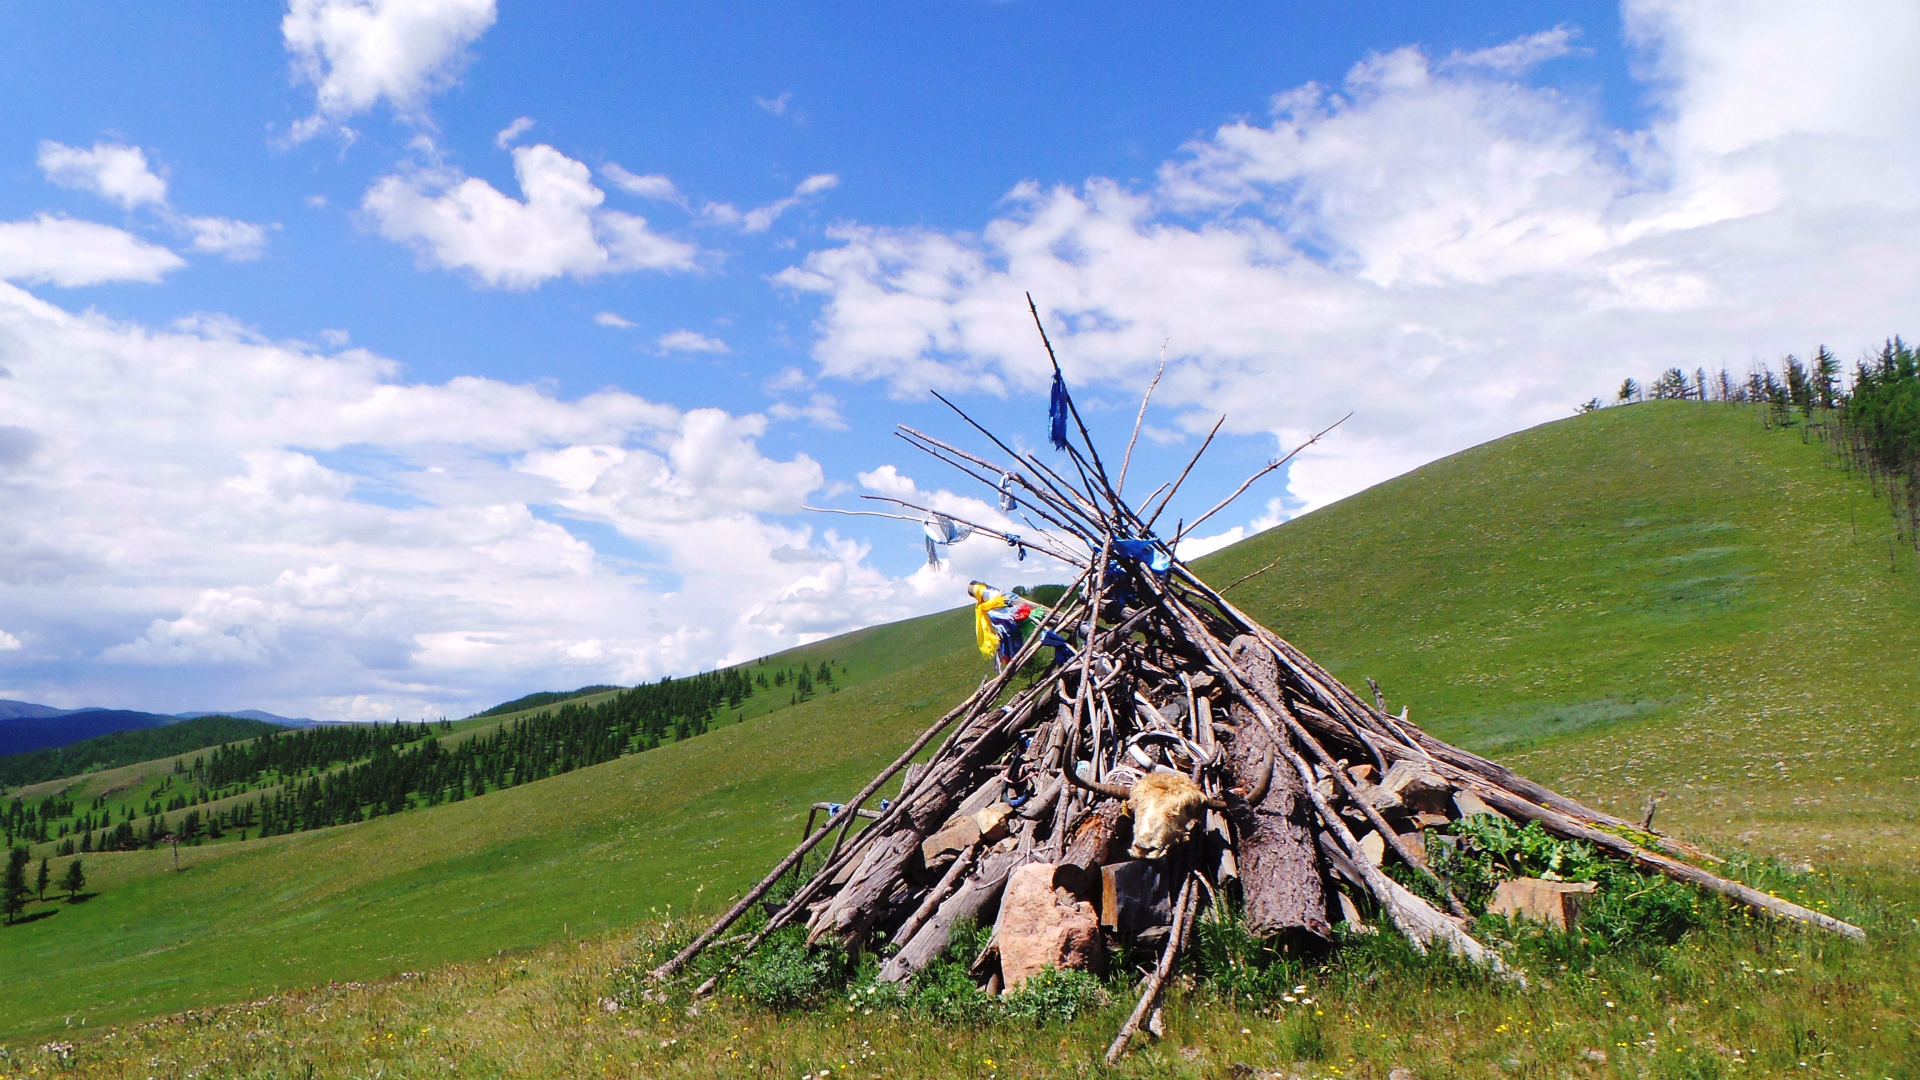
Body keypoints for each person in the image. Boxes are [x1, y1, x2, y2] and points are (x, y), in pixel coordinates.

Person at [968, 581, 1074, 671]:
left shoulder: (998, 601)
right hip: (1018, 615)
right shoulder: (991, 610)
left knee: (1046, 621)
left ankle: (1071, 636)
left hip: (1025, 611)